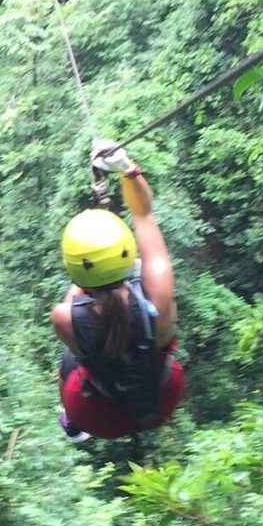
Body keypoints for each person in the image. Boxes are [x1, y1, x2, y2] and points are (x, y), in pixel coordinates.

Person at [50, 140, 185, 441]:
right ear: (126, 250)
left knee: (69, 359)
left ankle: (72, 421)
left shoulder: (63, 318)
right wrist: (127, 169)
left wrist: (92, 265)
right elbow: (144, 215)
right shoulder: (158, 297)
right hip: (161, 401)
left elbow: (81, 296)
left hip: (95, 415)